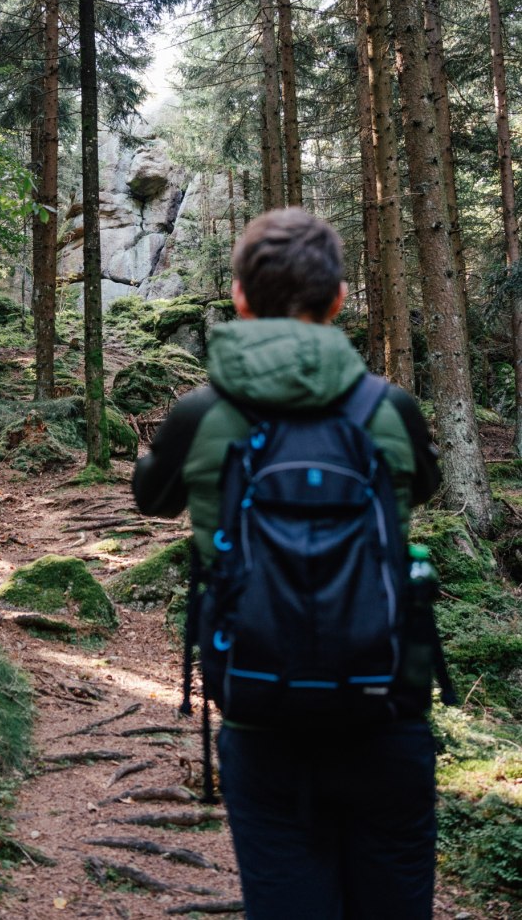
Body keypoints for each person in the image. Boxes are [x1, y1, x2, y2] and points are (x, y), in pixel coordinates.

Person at [132, 207, 441, 920]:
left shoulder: (201, 412)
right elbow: (426, 487)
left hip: (261, 712)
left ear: (239, 298)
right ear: (337, 301)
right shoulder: (388, 408)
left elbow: (151, 498)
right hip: (387, 708)